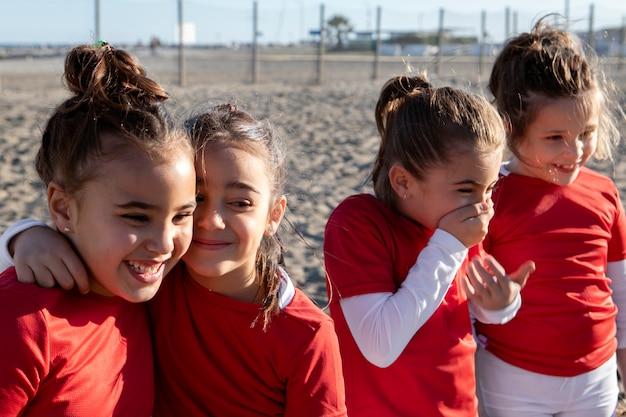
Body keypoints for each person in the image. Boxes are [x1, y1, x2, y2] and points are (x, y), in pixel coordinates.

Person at [0, 104, 347, 416]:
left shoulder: (307, 336)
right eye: (197, 199)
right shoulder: (152, 280)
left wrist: (20, 236)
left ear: (274, 214)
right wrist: (23, 236)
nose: (210, 221)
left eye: (240, 203)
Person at [0, 42, 197, 416]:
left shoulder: (156, 292)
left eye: (181, 215)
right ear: (62, 207)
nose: (163, 243)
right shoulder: (24, 320)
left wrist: (18, 234)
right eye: (137, 217)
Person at [323, 74, 536, 417]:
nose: (482, 206)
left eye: (490, 188)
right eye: (467, 189)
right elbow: (380, 345)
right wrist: (449, 245)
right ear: (403, 181)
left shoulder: (455, 230)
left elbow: (467, 312)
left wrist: (501, 304)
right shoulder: (358, 223)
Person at [473, 20, 626, 417]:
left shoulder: (604, 192)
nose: (575, 151)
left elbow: (621, 291)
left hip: (598, 379)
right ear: (510, 127)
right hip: (513, 380)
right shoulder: (489, 198)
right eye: (555, 137)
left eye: (586, 133)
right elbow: (466, 303)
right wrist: (496, 305)